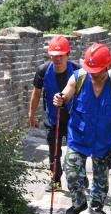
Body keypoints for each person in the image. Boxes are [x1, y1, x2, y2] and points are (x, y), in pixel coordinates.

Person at [53, 42, 111, 214]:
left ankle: (96, 206)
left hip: (104, 138)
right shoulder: (78, 77)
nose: (93, 74)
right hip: (79, 136)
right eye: (91, 70)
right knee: (71, 169)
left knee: (101, 177)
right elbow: (65, 94)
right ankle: (79, 202)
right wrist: (60, 98)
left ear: (107, 66)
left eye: (97, 71)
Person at [29, 35, 77, 191]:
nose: (57, 59)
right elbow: (36, 93)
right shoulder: (43, 71)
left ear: (68, 54)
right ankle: (56, 182)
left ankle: (79, 178)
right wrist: (31, 114)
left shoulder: (77, 71)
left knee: (75, 153)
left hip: (73, 119)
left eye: (61, 55)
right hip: (52, 119)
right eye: (54, 56)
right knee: (54, 154)